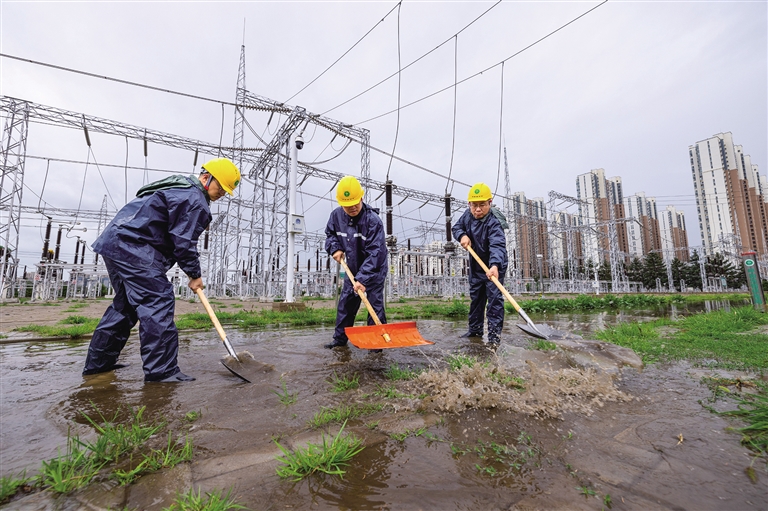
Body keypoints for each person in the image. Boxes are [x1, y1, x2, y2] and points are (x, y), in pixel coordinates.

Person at [82, 158, 241, 382]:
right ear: (206, 178)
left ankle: (98, 364)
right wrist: (194, 275)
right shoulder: (195, 200)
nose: (222, 194)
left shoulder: (178, 186)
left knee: (125, 307)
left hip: (115, 242)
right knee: (158, 301)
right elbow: (184, 243)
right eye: (220, 188)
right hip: (134, 248)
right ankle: (162, 372)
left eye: (226, 191)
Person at [324, 175, 388, 351]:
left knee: (374, 306)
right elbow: (330, 235)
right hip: (352, 268)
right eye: (347, 204)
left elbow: (376, 252)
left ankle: (377, 345)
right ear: (340, 203)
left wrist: (363, 278)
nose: (352, 207)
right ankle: (339, 340)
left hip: (374, 270)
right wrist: (335, 248)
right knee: (346, 304)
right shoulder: (336, 216)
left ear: (362, 197)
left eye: (355, 202)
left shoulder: (373, 221)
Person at [452, 182, 509, 345]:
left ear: (489, 203)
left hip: (494, 266)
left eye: (482, 205)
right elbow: (456, 228)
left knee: (494, 300)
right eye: (474, 205)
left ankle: (493, 337)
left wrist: (495, 266)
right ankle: (475, 330)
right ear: (469, 204)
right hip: (476, 265)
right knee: (476, 298)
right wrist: (462, 235)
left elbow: (497, 245)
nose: (478, 209)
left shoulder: (494, 222)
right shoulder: (467, 216)